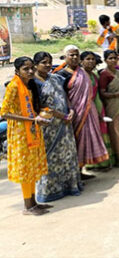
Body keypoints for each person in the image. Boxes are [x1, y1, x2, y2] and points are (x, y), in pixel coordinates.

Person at [2, 57, 49, 215]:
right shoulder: (14, 86)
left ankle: (34, 202)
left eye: (31, 68)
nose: (30, 71)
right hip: (20, 133)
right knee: (25, 169)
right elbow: (5, 112)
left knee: (32, 167)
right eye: (25, 69)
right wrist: (31, 119)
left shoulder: (28, 84)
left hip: (32, 129)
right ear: (17, 71)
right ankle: (28, 206)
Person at [32, 52, 81, 203]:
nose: (47, 65)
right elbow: (37, 107)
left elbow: (65, 97)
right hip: (48, 127)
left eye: (49, 62)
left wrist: (71, 110)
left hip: (65, 124)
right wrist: (60, 115)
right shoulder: (33, 83)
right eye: (44, 62)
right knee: (50, 159)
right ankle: (50, 191)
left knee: (67, 155)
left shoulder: (56, 78)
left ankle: (70, 186)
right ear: (36, 65)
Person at [55, 46, 109, 169]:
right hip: (72, 114)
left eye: (76, 55)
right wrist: (68, 110)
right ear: (65, 57)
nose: (74, 57)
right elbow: (61, 96)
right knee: (74, 141)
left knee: (84, 142)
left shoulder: (83, 72)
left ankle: (81, 170)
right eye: (71, 55)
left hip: (88, 111)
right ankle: (75, 172)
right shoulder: (60, 75)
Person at [81, 52, 115, 171]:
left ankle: (103, 162)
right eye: (87, 59)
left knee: (101, 132)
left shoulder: (94, 75)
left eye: (92, 59)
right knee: (90, 134)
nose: (91, 61)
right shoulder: (80, 76)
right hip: (86, 109)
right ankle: (92, 163)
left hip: (97, 106)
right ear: (82, 61)